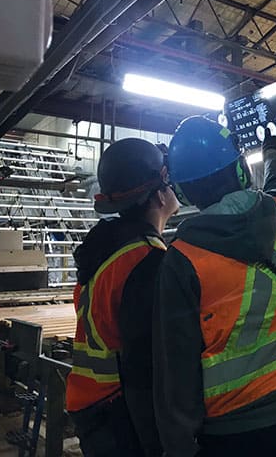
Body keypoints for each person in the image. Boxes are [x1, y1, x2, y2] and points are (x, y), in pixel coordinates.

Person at [153, 116, 276, 457]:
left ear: (182, 191)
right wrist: (272, 152)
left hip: (237, 429)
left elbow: (175, 368)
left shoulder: (182, 258)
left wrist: (178, 447)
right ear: (241, 170)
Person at [66, 138, 179, 457]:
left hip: (94, 407)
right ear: (159, 194)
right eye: (168, 181)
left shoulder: (107, 250)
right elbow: (144, 369)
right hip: (120, 417)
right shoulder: (146, 261)